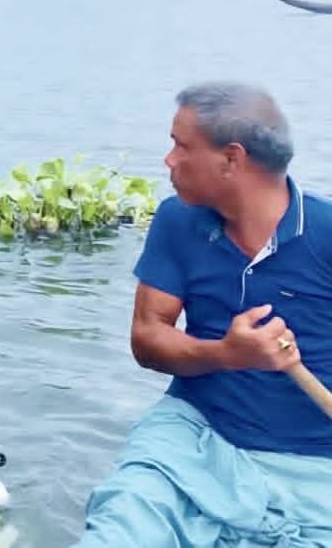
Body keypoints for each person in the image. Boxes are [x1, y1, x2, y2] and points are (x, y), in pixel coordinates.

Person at [76, 83, 332, 547]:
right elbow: (148, 338)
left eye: (181, 146)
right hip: (193, 436)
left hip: (315, 464)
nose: (168, 160)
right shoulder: (177, 220)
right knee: (119, 528)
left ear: (231, 159)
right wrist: (227, 354)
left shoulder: (326, 232)